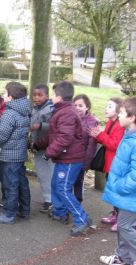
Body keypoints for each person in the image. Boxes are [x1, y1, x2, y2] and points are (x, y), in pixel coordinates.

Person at [35, 81, 92, 236]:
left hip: (70, 159)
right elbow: (53, 134)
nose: (51, 97)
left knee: (63, 188)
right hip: (65, 157)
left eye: (53, 95)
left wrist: (48, 152)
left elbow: (64, 138)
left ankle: (82, 219)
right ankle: (60, 212)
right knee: (56, 184)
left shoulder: (66, 112)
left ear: (58, 97)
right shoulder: (61, 110)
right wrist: (39, 145)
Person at [99, 97, 136, 265]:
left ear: (132, 117)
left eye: (122, 112)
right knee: (123, 226)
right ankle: (124, 257)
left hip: (131, 194)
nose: (119, 115)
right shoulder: (129, 135)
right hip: (126, 195)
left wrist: (121, 186)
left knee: (125, 226)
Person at [0, 82, 31, 224]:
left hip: (8, 155)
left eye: (5, 93)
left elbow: (1, 136)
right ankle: (24, 210)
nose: (3, 95)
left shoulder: (9, 114)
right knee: (21, 182)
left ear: (10, 97)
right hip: (19, 154)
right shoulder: (24, 111)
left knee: (10, 185)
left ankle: (8, 214)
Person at [89, 98, 125, 232]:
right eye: (106, 106)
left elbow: (115, 144)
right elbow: (106, 140)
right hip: (109, 162)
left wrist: (100, 135)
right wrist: (96, 134)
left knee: (118, 191)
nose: (106, 109)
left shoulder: (120, 125)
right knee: (113, 190)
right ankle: (115, 214)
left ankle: (122, 219)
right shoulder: (111, 122)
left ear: (118, 110)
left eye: (110, 107)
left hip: (116, 163)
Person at [30, 84, 55, 213]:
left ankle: (53, 200)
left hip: (48, 148)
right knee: (42, 174)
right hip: (37, 147)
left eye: (40, 95)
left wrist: (40, 126)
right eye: (34, 95)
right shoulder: (34, 109)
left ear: (47, 96)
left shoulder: (51, 109)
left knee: (50, 174)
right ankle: (47, 200)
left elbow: (54, 127)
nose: (36, 97)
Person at [73, 94, 99, 203]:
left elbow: (91, 146)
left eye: (80, 105)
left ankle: (77, 203)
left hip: (81, 159)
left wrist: (86, 163)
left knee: (78, 182)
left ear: (87, 107)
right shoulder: (71, 118)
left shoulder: (92, 122)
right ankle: (67, 205)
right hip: (70, 157)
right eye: (75, 105)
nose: (77, 108)